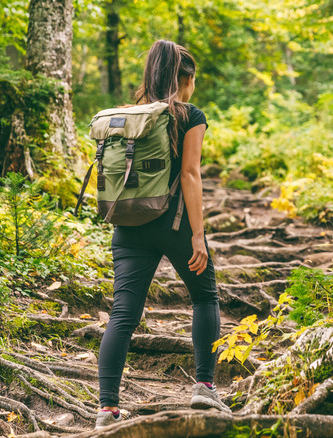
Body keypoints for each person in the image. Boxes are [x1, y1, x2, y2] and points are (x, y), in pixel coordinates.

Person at [95, 40, 231, 429]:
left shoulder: (130, 115)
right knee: (205, 297)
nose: (194, 88)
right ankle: (204, 386)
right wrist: (198, 235)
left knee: (122, 314)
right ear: (184, 78)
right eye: (193, 80)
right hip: (174, 225)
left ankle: (107, 408)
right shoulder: (189, 115)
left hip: (129, 225)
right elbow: (189, 174)